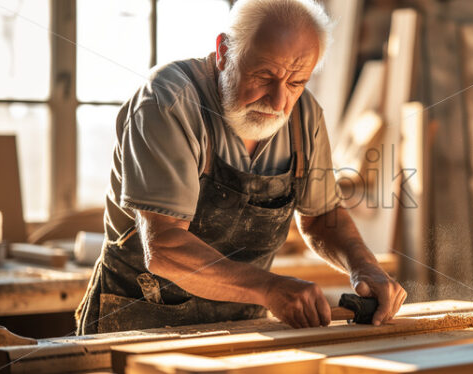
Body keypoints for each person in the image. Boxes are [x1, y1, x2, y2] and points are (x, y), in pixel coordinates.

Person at [76, 0, 406, 335]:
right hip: (136, 329)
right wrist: (270, 288)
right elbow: (165, 247)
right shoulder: (170, 101)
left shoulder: (304, 117)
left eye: (296, 83)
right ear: (223, 52)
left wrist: (365, 266)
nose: (279, 103)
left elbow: (321, 217)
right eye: (265, 75)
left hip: (241, 329)